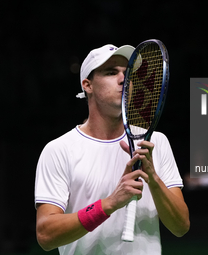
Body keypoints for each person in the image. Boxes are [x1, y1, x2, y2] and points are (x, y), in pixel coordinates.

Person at [34, 44, 190, 254]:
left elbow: (181, 227)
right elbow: (46, 235)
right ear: (87, 85)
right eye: (111, 72)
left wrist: (152, 178)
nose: (123, 80)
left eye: (128, 74)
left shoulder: (155, 143)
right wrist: (108, 204)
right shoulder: (59, 150)